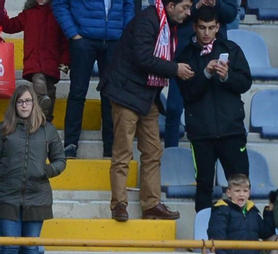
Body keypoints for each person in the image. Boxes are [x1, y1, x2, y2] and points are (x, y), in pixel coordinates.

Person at [102, 0, 191, 223]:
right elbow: (143, 58)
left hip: (147, 96)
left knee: (153, 151)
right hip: (126, 93)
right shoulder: (147, 20)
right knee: (123, 152)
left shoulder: (166, 23)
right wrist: (175, 69)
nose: (188, 13)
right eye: (186, 7)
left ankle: (151, 204)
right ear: (171, 6)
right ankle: (119, 204)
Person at [177, 5, 251, 214]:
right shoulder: (186, 56)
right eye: (202, 27)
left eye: (211, 27)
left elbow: (245, 83)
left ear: (218, 27)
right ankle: (203, 237)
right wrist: (206, 74)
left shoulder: (232, 49)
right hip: (201, 133)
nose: (207, 33)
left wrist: (227, 77)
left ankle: (241, 235)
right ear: (194, 27)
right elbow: (188, 93)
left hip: (232, 131)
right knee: (204, 187)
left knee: (240, 186)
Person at [0, 86, 65, 254]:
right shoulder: (4, 129)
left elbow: (60, 161)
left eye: (28, 101)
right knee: (9, 247)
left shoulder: (48, 130)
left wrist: (45, 170)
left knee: (31, 247)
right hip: (7, 197)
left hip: (37, 197)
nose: (24, 105)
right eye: (20, 102)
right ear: (15, 105)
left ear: (34, 104)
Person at [55, 0, 137, 158]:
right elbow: (59, 4)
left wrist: (125, 33)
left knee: (110, 95)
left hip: (114, 41)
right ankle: (70, 144)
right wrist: (73, 34)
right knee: (77, 93)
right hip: (83, 40)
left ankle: (111, 147)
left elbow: (128, 5)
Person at [163, 0, 236, 149]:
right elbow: (171, 13)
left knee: (209, 109)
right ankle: (171, 156)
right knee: (173, 108)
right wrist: (197, 6)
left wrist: (215, 4)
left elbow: (231, 14)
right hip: (184, 50)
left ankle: (206, 157)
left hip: (214, 51)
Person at [1, 0, 70, 122]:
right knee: (39, 81)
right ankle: (42, 99)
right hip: (33, 60)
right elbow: (10, 26)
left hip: (51, 61)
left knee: (51, 90)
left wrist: (65, 60)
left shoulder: (57, 13)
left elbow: (65, 41)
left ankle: (46, 120)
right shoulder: (29, 13)